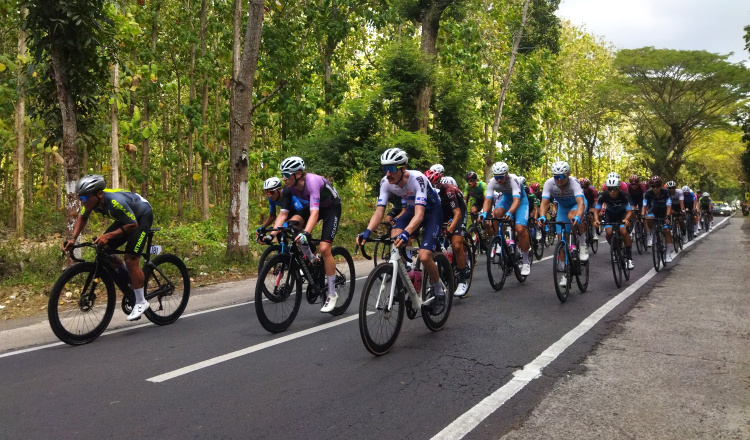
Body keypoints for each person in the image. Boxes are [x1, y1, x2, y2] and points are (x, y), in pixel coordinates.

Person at [356, 148, 447, 315]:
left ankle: (439, 289)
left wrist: (407, 232)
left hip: (432, 212)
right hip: (413, 210)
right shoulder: (386, 182)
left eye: (391, 169)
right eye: (384, 169)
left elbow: (420, 215)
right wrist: (367, 231)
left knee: (425, 256)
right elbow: (379, 212)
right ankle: (407, 274)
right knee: (394, 239)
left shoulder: (417, 179)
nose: (387, 174)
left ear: (402, 168)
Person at [62, 175, 154, 321]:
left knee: (131, 258)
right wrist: (73, 238)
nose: (82, 201)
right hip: (126, 218)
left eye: (85, 198)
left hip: (141, 216)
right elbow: (82, 217)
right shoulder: (92, 202)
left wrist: (109, 235)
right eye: (80, 198)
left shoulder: (115, 203)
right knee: (104, 248)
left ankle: (141, 302)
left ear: (99, 194)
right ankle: (130, 278)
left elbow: (132, 225)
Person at [271, 156, 343, 313]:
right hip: (314, 207)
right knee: (292, 226)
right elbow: (283, 215)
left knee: (324, 248)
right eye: (282, 173)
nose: (283, 177)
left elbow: (315, 213)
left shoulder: (312, 182)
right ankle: (312, 259)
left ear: (298, 174)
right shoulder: (288, 188)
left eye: (286, 174)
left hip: (331, 208)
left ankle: (331, 293)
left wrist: (307, 233)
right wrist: (271, 233)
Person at [537, 161, 588, 287]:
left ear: (568, 175)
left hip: (577, 205)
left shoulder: (573, 182)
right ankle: (564, 272)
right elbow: (544, 202)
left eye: (562, 176)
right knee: (561, 240)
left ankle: (582, 243)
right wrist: (542, 216)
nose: (559, 180)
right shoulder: (549, 183)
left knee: (573, 216)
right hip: (563, 208)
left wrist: (578, 216)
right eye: (556, 177)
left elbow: (581, 203)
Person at [481, 162, 532, 276]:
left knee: (519, 229)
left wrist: (510, 212)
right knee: (496, 213)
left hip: (520, 202)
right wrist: (484, 213)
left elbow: (517, 201)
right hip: (506, 200)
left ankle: (525, 261)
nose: (498, 180)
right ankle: (500, 241)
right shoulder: (492, 182)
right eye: (496, 177)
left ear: (507, 174)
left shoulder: (514, 180)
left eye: (501, 177)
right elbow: (488, 200)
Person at [425, 171, 471, 297]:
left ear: (439, 185)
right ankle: (442, 264)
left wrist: (450, 231)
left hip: (458, 212)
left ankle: (462, 277)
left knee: (456, 244)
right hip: (443, 212)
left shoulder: (449, 191)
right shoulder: (425, 190)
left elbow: (457, 213)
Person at [594, 176, 634, 269]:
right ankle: (615, 249)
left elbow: (629, 211)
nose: (612, 191)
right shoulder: (603, 195)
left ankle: (629, 259)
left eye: (615, 189)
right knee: (608, 233)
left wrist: (627, 219)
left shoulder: (625, 195)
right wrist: (596, 220)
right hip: (610, 215)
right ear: (607, 189)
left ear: (619, 188)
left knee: (623, 231)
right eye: (610, 189)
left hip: (622, 215)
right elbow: (596, 210)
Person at [642, 175, 675, 263]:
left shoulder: (666, 192)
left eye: (657, 186)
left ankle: (668, 253)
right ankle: (653, 233)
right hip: (654, 209)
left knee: (667, 230)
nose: (655, 189)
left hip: (665, 211)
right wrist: (642, 215)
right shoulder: (648, 193)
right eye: (653, 187)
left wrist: (667, 216)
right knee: (648, 218)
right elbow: (644, 205)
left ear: (660, 186)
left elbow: (669, 205)